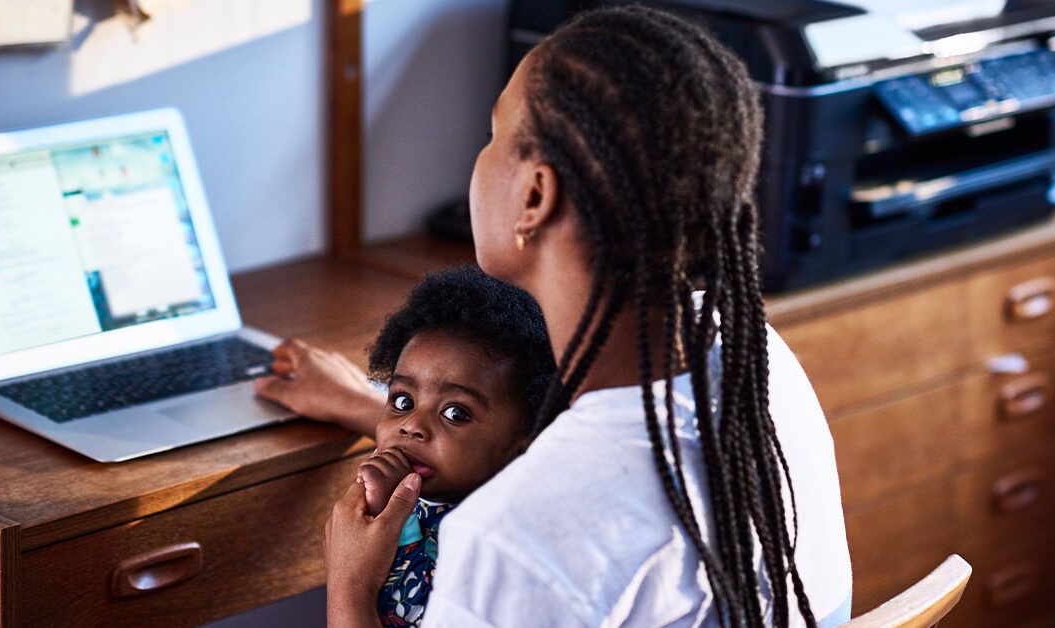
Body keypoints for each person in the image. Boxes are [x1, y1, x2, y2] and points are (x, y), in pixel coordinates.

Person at [258, 5, 852, 627]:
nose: (479, 160)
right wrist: (380, 408)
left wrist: (350, 586)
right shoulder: (749, 354)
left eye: (492, 135)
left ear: (535, 196)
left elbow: (566, 507)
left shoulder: (516, 543)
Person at [322, 266, 555, 626]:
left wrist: (348, 584)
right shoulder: (413, 493)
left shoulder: (494, 553)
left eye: (456, 412)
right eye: (402, 401)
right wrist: (380, 505)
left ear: (523, 442)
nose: (412, 425)